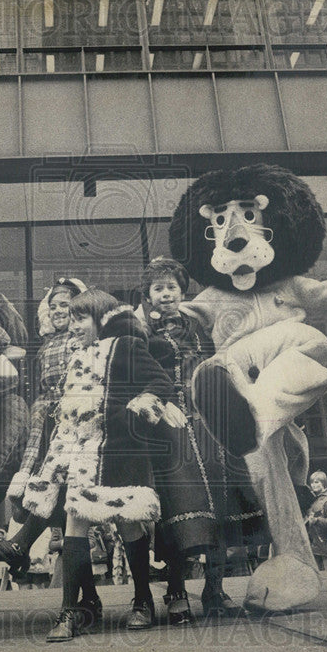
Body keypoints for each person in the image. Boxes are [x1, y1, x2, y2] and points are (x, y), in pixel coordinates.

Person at [20, 290, 184, 642]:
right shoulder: (76, 356)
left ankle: (142, 599)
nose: (74, 326)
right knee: (74, 527)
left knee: (128, 527)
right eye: (73, 319)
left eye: (82, 319)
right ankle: (68, 612)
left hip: (117, 453)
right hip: (79, 457)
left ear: (101, 319)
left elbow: (161, 382)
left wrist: (137, 410)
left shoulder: (125, 345)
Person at [138, 257, 259, 623]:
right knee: (177, 504)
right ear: (148, 295)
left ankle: (214, 587)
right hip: (168, 424)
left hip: (206, 420)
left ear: (181, 290)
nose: (165, 294)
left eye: (171, 287)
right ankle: (176, 589)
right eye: (157, 289)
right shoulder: (142, 330)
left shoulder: (196, 327)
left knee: (221, 501)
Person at [0, 277, 87, 581]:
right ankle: (22, 535)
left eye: (64, 304)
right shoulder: (48, 342)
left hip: (76, 416)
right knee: (50, 486)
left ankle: (21, 542)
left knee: (61, 489)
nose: (57, 310)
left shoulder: (80, 339)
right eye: (52, 306)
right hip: (48, 416)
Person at [304, 472, 327, 571]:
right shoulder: (313, 499)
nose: (313, 485)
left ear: (323, 483)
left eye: (317, 482)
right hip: (315, 543)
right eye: (312, 482)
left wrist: (316, 520)